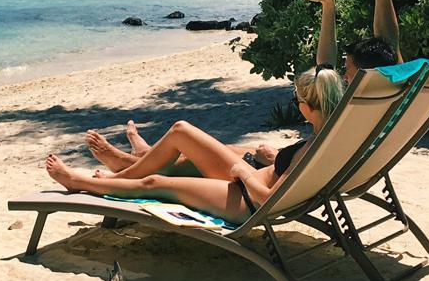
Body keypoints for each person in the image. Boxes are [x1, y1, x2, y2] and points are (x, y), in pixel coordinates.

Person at [86, 0, 402, 171]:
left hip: (280, 169)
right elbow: (387, 41)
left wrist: (272, 158)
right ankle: (143, 154)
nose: (341, 75)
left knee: (194, 158)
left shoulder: (347, 108)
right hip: (305, 165)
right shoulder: (379, 103)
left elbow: (327, 65)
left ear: (365, 74)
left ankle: (127, 163)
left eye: (346, 71)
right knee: (218, 150)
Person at [46, 66, 345, 224]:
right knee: (180, 132)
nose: (296, 106)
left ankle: (81, 181)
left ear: (311, 105)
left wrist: (243, 172)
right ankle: (129, 164)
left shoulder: (314, 148)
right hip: (251, 183)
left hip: (247, 199)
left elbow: (268, 198)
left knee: (155, 181)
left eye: (298, 101)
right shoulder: (330, 138)